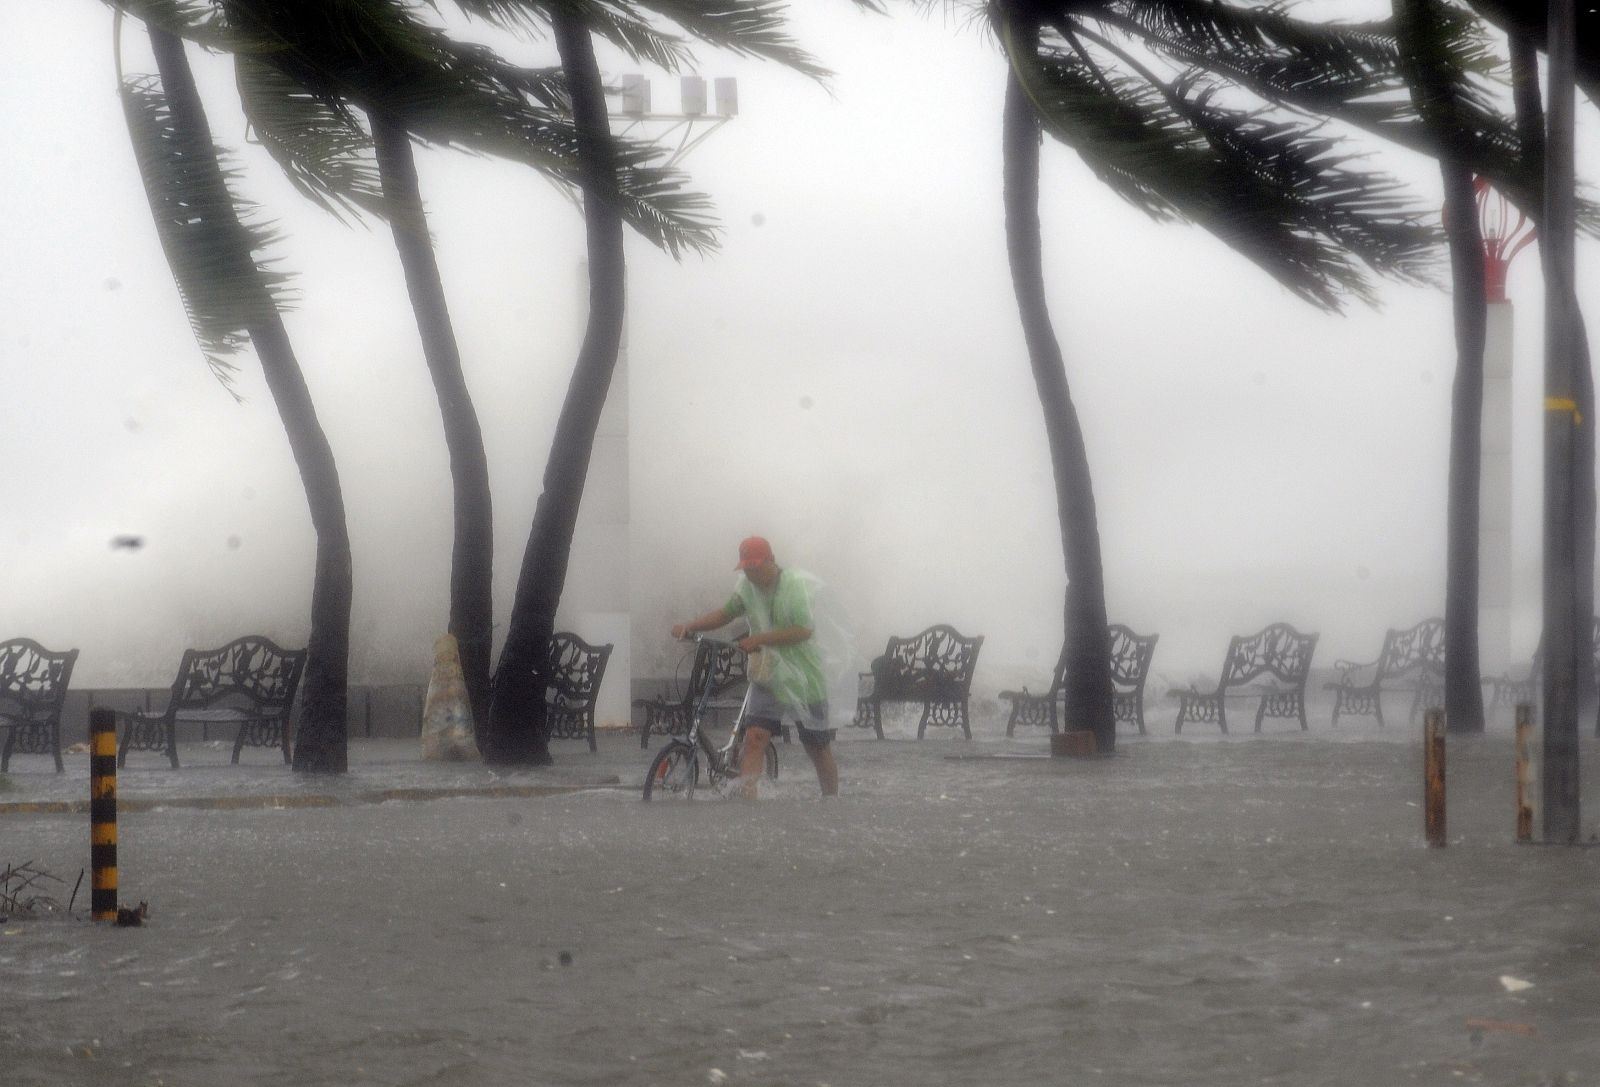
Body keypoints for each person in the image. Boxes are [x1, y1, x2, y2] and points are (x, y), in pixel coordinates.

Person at [671, 536, 839, 798]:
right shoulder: (747, 588)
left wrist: (760, 639)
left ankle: (831, 800)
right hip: (768, 674)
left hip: (804, 677)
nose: (751, 574)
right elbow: (725, 614)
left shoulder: (793, 586)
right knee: (754, 738)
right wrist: (689, 626)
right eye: (747, 569)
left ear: (771, 561)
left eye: (756, 568)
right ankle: (749, 804)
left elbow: (803, 630)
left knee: (816, 746)